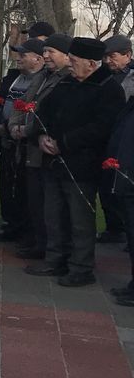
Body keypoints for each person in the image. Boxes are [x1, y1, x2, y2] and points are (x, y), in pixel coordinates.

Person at [25, 37, 124, 288]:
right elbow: (43, 110)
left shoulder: (108, 88)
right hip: (53, 161)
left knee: (80, 218)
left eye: (74, 60)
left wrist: (65, 142)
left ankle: (81, 266)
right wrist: (42, 136)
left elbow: (103, 127)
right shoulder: (67, 82)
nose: (69, 63)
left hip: (83, 164)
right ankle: (55, 257)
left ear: (91, 63)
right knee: (53, 213)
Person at [9, 33, 72, 260]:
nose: (46, 56)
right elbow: (23, 102)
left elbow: (49, 113)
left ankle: (50, 247)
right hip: (28, 147)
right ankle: (38, 241)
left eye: (50, 52)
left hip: (44, 148)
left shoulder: (66, 79)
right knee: (34, 199)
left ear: (66, 55)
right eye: (44, 52)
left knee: (49, 203)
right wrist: (14, 125)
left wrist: (29, 131)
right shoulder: (42, 76)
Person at [0, 38, 45, 242]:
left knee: (24, 186)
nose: (18, 59)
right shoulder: (11, 77)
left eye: (23, 55)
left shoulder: (43, 80)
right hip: (7, 138)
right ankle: (11, 223)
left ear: (38, 59)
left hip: (26, 142)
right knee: (6, 182)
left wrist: (21, 129)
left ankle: (26, 228)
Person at [99, 34, 134, 245]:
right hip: (106, 134)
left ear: (127, 55)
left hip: (125, 136)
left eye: (113, 56)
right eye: (106, 57)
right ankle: (113, 227)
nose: (108, 61)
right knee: (106, 187)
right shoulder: (105, 75)